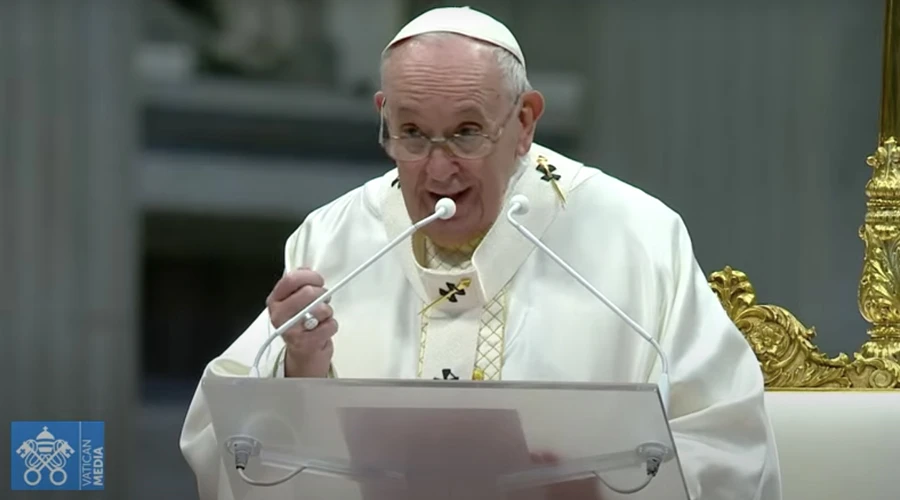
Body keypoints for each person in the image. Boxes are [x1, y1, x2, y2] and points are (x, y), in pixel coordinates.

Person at [180, 6, 782, 500]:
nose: (438, 170)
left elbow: (729, 447)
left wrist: (598, 491)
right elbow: (222, 437)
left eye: (467, 132)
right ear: (383, 119)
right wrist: (300, 368)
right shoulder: (333, 237)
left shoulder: (637, 237)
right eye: (412, 133)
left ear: (523, 122)